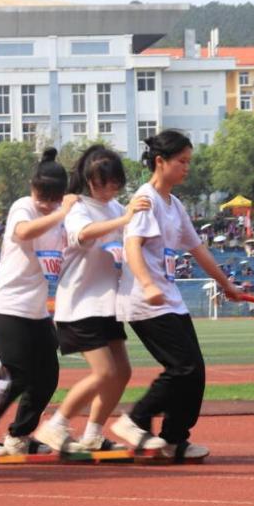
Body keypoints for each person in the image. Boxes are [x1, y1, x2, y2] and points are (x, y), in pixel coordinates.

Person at [113, 131, 241, 460]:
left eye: (189, 162)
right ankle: (135, 420)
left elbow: (197, 249)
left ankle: (174, 439)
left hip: (169, 298)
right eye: (182, 161)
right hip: (146, 300)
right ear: (160, 161)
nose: (187, 168)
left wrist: (226, 284)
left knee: (194, 371)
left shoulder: (174, 204)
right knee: (182, 367)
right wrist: (148, 284)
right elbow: (131, 246)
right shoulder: (146, 199)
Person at [35, 145, 152, 452]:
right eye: (103, 182)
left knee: (122, 373)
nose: (110, 188)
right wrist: (125, 219)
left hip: (107, 305)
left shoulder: (116, 208)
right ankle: (55, 425)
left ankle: (93, 434)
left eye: (115, 182)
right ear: (89, 180)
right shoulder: (78, 206)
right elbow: (83, 235)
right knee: (105, 372)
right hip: (80, 305)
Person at [0, 149, 76, 457]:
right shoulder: (23, 207)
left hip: (36, 313)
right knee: (13, 376)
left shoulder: (60, 217)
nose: (46, 203)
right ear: (32, 187)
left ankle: (19, 435)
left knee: (47, 377)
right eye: (42, 196)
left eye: (54, 198)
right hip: (7, 309)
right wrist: (60, 212)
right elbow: (23, 231)